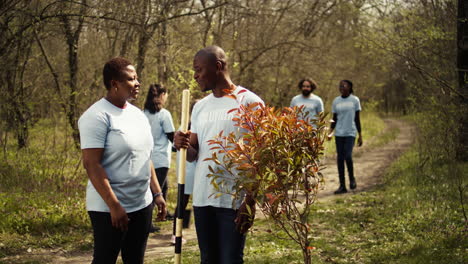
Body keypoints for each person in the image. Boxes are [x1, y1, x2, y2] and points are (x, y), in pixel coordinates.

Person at [174, 45, 264, 264]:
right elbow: (194, 154)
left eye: (198, 69)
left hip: (233, 201)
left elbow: (260, 158)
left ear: (218, 66)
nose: (195, 76)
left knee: (231, 260)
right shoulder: (200, 107)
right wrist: (182, 145)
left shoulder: (249, 102)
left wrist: (250, 202)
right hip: (203, 198)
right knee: (208, 260)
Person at [78, 57, 166, 264]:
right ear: (114, 84)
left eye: (137, 78)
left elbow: (146, 158)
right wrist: (114, 205)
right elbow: (92, 164)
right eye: (130, 79)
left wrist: (157, 193)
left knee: (135, 259)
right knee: (105, 259)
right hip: (109, 207)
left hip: (142, 204)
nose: (137, 83)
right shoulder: (97, 116)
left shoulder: (138, 115)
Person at [143, 84, 175, 223]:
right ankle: (147, 223)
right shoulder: (164, 114)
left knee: (164, 185)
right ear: (162, 95)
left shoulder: (143, 113)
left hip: (148, 158)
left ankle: (164, 212)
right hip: (161, 158)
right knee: (154, 192)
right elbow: (172, 136)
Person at [327, 80, 363, 194]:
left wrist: (360, 135)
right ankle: (342, 185)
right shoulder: (336, 101)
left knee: (348, 156)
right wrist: (330, 132)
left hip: (350, 132)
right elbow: (334, 118)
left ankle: (352, 178)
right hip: (339, 133)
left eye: (344, 85)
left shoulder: (355, 100)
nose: (342, 87)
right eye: (340, 85)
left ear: (350, 87)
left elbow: (357, 118)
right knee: (340, 159)